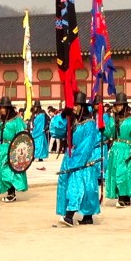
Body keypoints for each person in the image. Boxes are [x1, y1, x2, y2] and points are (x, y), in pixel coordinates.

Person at [50, 92, 101, 226]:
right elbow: (56, 131)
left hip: (81, 160)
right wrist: (62, 115)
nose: (74, 108)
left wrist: (77, 161)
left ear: (82, 106)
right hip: (70, 156)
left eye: (76, 105)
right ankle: (87, 217)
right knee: (72, 185)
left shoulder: (89, 123)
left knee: (79, 186)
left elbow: (88, 144)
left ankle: (69, 215)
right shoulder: (71, 120)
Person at [104, 93, 131, 207]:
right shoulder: (113, 119)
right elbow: (109, 133)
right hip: (115, 148)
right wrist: (104, 127)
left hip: (126, 148)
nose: (118, 107)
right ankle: (122, 197)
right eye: (117, 105)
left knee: (124, 173)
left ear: (125, 106)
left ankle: (123, 197)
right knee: (116, 172)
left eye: (120, 105)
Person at [0, 96, 28, 202]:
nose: (1, 109)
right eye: (0, 107)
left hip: (12, 148)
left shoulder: (17, 120)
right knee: (1, 170)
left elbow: (21, 134)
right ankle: (9, 192)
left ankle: (11, 193)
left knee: (8, 171)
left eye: (3, 107)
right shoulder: (1, 119)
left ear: (8, 108)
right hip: (2, 148)